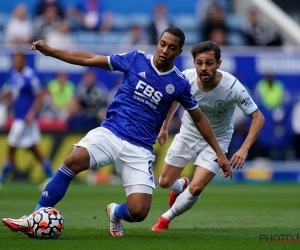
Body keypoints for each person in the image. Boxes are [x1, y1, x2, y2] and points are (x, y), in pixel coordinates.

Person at [2, 27, 231, 237]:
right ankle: (33, 217)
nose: (165, 50)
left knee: (139, 211)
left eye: (171, 47)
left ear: (179, 52)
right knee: (73, 160)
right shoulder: (136, 59)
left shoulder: (179, 83)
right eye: (162, 44)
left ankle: (116, 213)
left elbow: (200, 119)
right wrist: (51, 51)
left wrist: (219, 154)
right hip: (111, 132)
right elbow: (90, 58)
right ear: (158, 43)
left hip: (140, 148)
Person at [151, 41, 265, 231]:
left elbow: (258, 118)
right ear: (194, 63)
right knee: (164, 183)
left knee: (196, 188)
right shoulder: (186, 78)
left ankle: (165, 219)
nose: (204, 68)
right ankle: (181, 186)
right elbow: (173, 101)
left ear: (218, 64)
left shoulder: (233, 87)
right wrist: (164, 126)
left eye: (209, 63)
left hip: (217, 142)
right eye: (199, 63)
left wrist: (244, 149)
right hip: (187, 135)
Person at [0, 53, 53, 190]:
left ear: (24, 61)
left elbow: (40, 96)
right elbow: (9, 91)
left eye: (18, 61)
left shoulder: (30, 76)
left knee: (11, 145)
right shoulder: (14, 75)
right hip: (19, 117)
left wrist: (31, 113)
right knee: (32, 147)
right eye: (14, 61)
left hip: (25, 118)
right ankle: (50, 175)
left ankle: (2, 179)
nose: (16, 63)